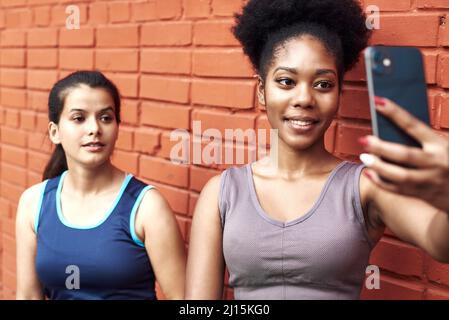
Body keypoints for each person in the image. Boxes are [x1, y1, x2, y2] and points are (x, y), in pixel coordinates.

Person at [186, 0, 449, 300]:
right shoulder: (221, 192)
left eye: (323, 84)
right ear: (261, 90)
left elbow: (440, 243)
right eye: (286, 81)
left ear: (339, 94)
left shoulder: (365, 187)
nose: (304, 98)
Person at [15, 71, 186, 300]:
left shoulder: (147, 207)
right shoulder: (33, 203)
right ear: (55, 132)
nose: (94, 128)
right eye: (79, 118)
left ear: (117, 128)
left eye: (105, 118)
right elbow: (28, 295)